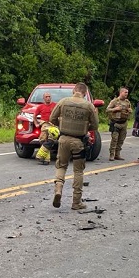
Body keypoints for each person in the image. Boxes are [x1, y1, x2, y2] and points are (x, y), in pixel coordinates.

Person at [49, 82, 99, 210]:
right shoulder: (89, 106)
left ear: (74, 90)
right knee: (78, 171)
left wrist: (61, 124)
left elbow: (52, 118)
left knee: (61, 166)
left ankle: (58, 189)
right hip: (78, 142)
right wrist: (85, 126)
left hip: (63, 139)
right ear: (84, 93)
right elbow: (95, 126)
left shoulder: (63, 101)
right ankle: (76, 202)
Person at [107, 87, 132, 161]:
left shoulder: (127, 102)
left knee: (121, 140)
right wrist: (115, 109)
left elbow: (130, 110)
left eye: (127, 92)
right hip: (116, 123)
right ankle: (112, 154)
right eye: (125, 92)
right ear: (121, 93)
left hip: (124, 123)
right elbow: (107, 109)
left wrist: (130, 111)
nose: (126, 94)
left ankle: (117, 154)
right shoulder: (114, 101)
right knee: (114, 139)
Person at [34, 92, 58, 165]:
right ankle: (46, 159)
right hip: (44, 124)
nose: (48, 98)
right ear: (43, 98)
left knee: (51, 138)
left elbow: (60, 114)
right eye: (46, 97)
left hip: (53, 124)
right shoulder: (40, 107)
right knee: (43, 139)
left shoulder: (55, 105)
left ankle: (40, 155)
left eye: (49, 96)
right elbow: (34, 116)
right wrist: (36, 124)